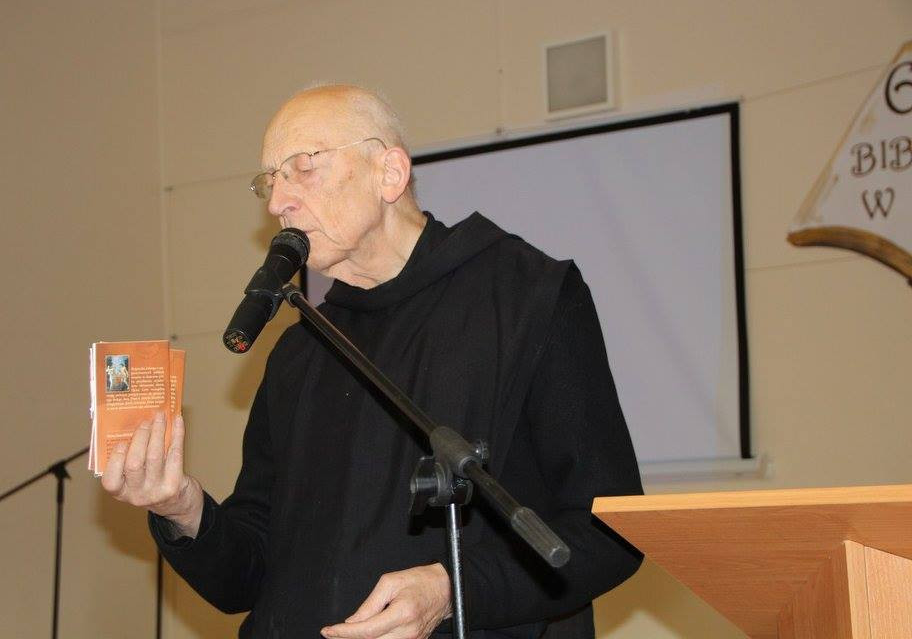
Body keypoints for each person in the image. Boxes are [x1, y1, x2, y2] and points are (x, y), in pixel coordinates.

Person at [101, 85, 643, 639]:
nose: (277, 203)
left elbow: (611, 532)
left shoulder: (528, 299)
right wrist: (183, 508)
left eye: (302, 168)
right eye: (270, 181)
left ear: (389, 173)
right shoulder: (300, 350)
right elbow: (248, 579)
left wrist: (453, 591)